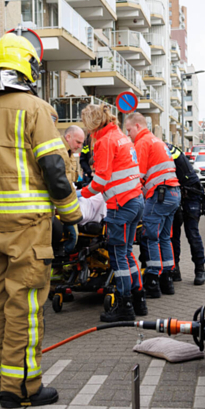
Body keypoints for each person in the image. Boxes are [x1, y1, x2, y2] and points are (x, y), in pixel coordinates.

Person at [0, 33, 82, 408]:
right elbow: (54, 170)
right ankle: (23, 389)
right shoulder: (36, 109)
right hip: (28, 227)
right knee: (25, 308)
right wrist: (71, 215)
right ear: (27, 68)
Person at [81, 105, 145, 321]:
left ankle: (125, 306)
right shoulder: (118, 136)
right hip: (135, 200)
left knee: (118, 257)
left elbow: (100, 181)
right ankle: (139, 299)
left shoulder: (104, 141)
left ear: (92, 123)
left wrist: (81, 194)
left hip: (121, 205)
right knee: (127, 253)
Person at [124, 113, 180, 299]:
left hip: (159, 194)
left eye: (129, 130)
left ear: (138, 126)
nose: (128, 134)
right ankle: (167, 279)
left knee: (150, 237)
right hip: (173, 193)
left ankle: (153, 281)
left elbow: (136, 177)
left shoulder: (142, 143)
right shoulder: (158, 141)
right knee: (164, 237)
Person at [168, 142, 205, 285]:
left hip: (190, 193)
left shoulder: (165, 149)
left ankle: (200, 269)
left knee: (192, 232)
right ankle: (175, 269)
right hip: (175, 192)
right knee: (174, 234)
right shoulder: (162, 147)